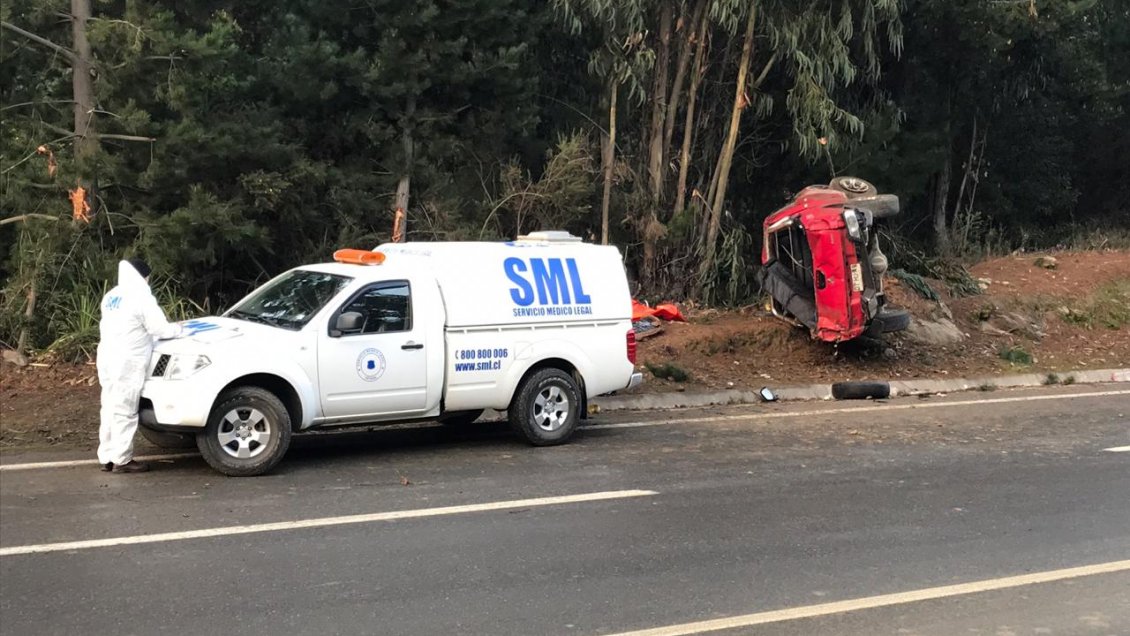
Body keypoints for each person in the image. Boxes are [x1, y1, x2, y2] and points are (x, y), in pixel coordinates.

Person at [96, 258, 184, 473]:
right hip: (128, 359)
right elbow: (160, 329)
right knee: (125, 409)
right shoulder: (141, 297)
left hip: (107, 356)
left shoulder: (112, 295)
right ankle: (122, 460)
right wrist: (179, 329)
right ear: (143, 276)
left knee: (109, 405)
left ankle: (106, 456)